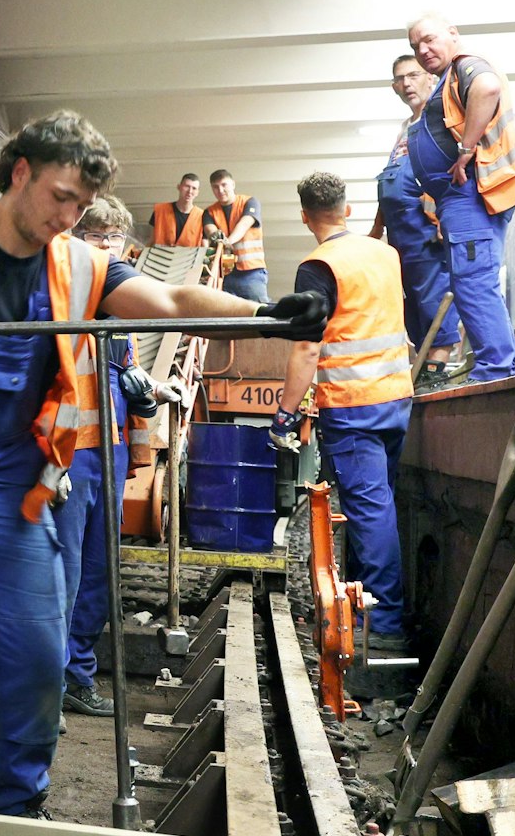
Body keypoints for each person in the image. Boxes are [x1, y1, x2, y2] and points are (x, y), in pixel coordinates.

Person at [0, 111, 326, 817]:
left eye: (82, 205)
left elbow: (173, 301)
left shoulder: (81, 264)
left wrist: (269, 315)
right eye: (61, 195)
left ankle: (16, 801)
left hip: (12, 486)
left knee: (37, 653)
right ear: (20, 171)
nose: (70, 214)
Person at [271, 173, 411, 660]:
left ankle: (385, 627)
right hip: (396, 398)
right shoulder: (385, 255)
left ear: (305, 216)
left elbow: (307, 349)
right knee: (381, 507)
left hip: (354, 407)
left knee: (371, 512)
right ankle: (361, 609)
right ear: (347, 209)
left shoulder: (317, 265)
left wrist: (284, 415)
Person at [60, 195, 172, 717]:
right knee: (64, 574)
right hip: (68, 454)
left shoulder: (116, 310)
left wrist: (143, 397)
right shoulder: (64, 298)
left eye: (116, 240)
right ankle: (52, 681)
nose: (110, 248)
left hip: (106, 451)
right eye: (98, 237)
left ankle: (77, 674)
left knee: (99, 573)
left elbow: (119, 377)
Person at [405, 13, 515, 383]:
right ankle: (492, 365)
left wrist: (466, 147)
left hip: (470, 191)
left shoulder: (466, 66)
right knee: (467, 282)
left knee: (474, 280)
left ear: (452, 34)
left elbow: (488, 88)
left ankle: (494, 370)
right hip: (458, 199)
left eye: (429, 39)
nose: (422, 50)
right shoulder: (448, 79)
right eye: (415, 47)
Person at [372, 53, 461, 379]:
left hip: (428, 233)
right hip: (401, 239)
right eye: (400, 79)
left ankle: (434, 369)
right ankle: (423, 367)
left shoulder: (440, 119)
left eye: (413, 75)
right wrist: (376, 232)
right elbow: (390, 184)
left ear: (429, 77)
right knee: (411, 304)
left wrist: (444, 220)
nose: (407, 84)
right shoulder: (404, 130)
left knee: (435, 297)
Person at [203, 170, 270, 303]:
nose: (220, 190)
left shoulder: (250, 202)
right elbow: (210, 230)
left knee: (258, 313)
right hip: (225, 275)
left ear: (233, 184)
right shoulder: (209, 212)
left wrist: (227, 241)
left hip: (251, 272)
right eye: (215, 187)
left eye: (224, 185)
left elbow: (245, 224)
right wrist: (215, 236)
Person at [151, 174, 207, 246]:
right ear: (179, 187)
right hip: (160, 255)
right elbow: (151, 240)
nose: (190, 191)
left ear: (197, 192)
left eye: (194, 188)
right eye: (187, 186)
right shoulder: (160, 210)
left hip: (190, 256)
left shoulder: (203, 216)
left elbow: (204, 246)